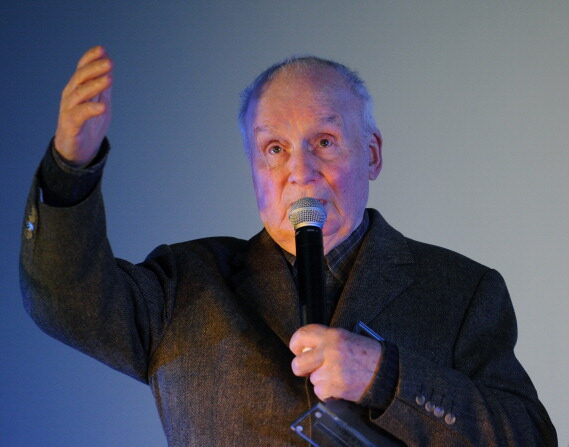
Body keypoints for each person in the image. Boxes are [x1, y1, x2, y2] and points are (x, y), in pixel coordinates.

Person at [20, 46, 557, 446]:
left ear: (370, 155)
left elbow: (528, 437)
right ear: (254, 168)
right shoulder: (184, 284)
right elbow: (65, 300)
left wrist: (387, 376)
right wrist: (70, 170)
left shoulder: (461, 290)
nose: (300, 170)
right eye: (274, 149)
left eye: (324, 142)